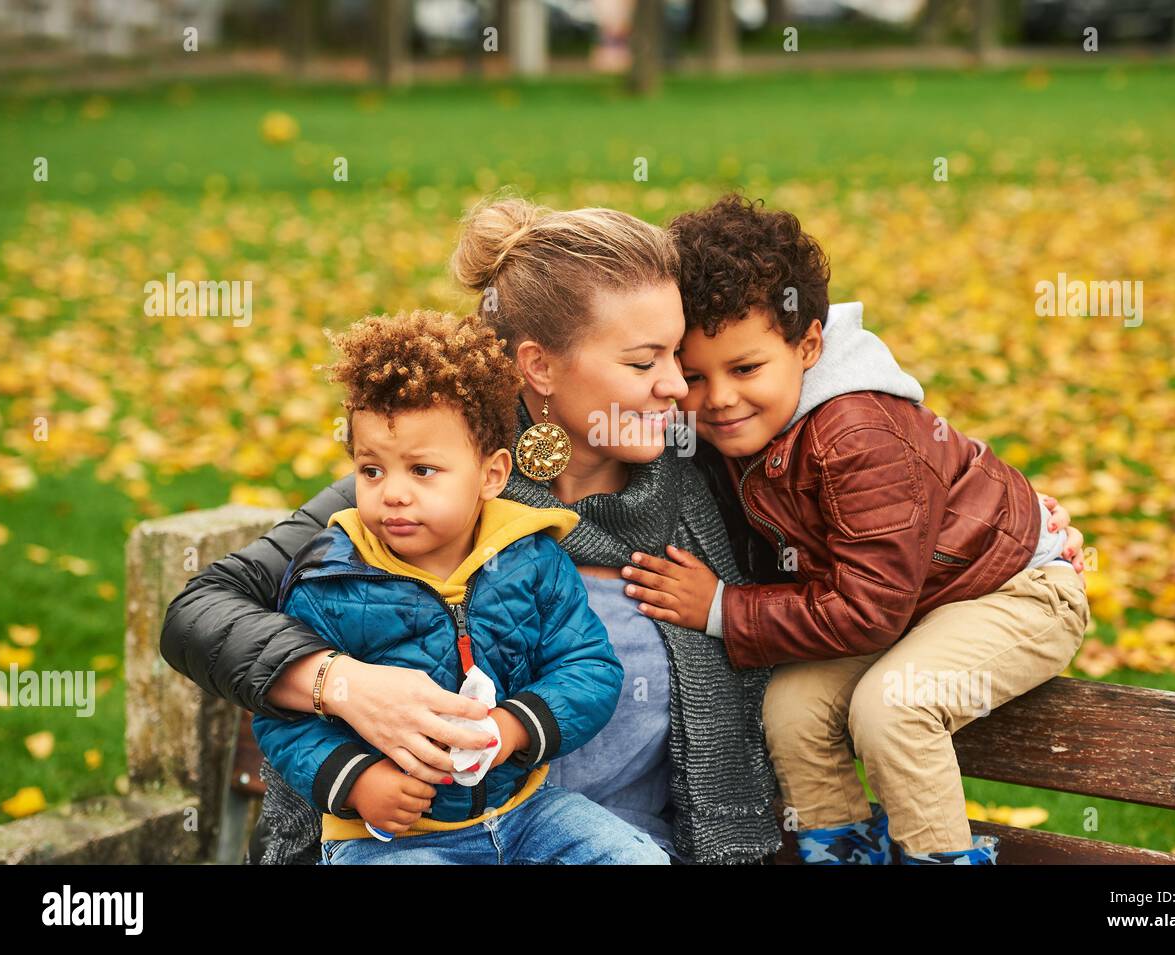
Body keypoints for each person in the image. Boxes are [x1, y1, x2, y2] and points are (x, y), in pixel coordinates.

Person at [160, 196, 782, 865]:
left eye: (676, 356)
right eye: (642, 362)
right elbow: (198, 612)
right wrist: (346, 685)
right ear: (539, 367)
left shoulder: (710, 490)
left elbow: (867, 550)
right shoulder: (427, 485)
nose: (674, 387)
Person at [619, 194, 1090, 864]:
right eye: (694, 375)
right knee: (792, 709)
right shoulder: (726, 426)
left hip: (1012, 591)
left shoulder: (858, 432)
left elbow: (867, 609)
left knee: (892, 708)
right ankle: (841, 853)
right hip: (903, 603)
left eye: (745, 368)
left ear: (808, 343)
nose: (718, 398)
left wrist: (722, 609)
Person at [252, 308, 667, 864]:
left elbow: (589, 668)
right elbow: (284, 717)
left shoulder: (532, 557)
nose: (392, 493)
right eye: (372, 470)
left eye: (422, 470)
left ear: (492, 475)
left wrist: (514, 728)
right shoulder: (330, 580)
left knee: (634, 859)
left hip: (522, 813)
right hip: (392, 840)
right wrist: (357, 782)